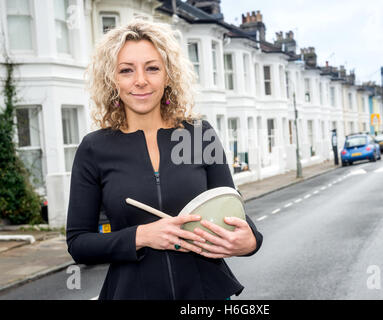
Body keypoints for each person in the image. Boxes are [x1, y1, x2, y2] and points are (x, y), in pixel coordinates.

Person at [66, 19, 263, 300]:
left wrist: (250, 240)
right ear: (112, 80)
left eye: (152, 68)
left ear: (167, 75)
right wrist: (142, 236)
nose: (141, 80)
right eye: (126, 70)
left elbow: (231, 205)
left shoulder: (199, 135)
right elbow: (79, 242)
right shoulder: (94, 148)